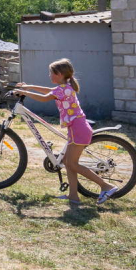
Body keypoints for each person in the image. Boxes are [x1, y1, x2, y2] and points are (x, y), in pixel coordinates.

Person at [14, 59, 119, 207]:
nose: (49, 74)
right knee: (69, 164)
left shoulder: (63, 89)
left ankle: (106, 186)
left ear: (60, 74)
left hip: (78, 128)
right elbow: (48, 91)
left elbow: (45, 98)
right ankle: (73, 196)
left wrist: (24, 91)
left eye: (51, 72)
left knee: (72, 164)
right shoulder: (64, 87)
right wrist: (29, 86)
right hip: (76, 127)